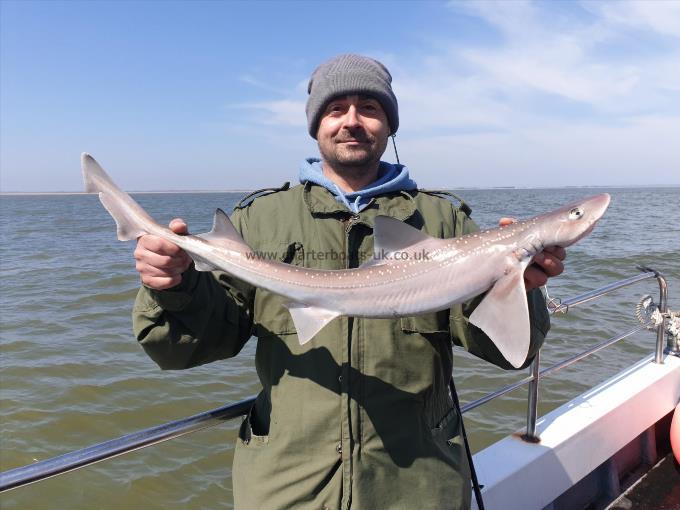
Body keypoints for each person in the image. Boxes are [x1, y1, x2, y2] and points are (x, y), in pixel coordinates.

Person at [132, 54, 565, 510]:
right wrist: (172, 286)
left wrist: (521, 288)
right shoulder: (259, 220)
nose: (352, 122)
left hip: (416, 484)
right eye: (337, 109)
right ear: (316, 124)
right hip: (287, 486)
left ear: (390, 124)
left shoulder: (443, 221)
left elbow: (507, 355)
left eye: (370, 108)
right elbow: (190, 347)